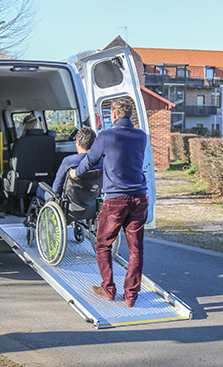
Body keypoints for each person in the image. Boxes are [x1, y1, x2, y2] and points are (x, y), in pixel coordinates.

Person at [70, 99, 148, 307]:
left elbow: (90, 160)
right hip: (139, 197)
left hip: (116, 199)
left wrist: (77, 173)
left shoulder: (106, 136)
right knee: (136, 249)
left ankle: (108, 288)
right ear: (129, 115)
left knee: (103, 244)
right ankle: (131, 296)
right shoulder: (141, 136)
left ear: (113, 115)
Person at [36, 127, 100, 200]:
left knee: (40, 189)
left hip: (69, 203)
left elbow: (56, 189)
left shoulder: (69, 161)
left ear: (78, 143)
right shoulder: (100, 161)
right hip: (91, 201)